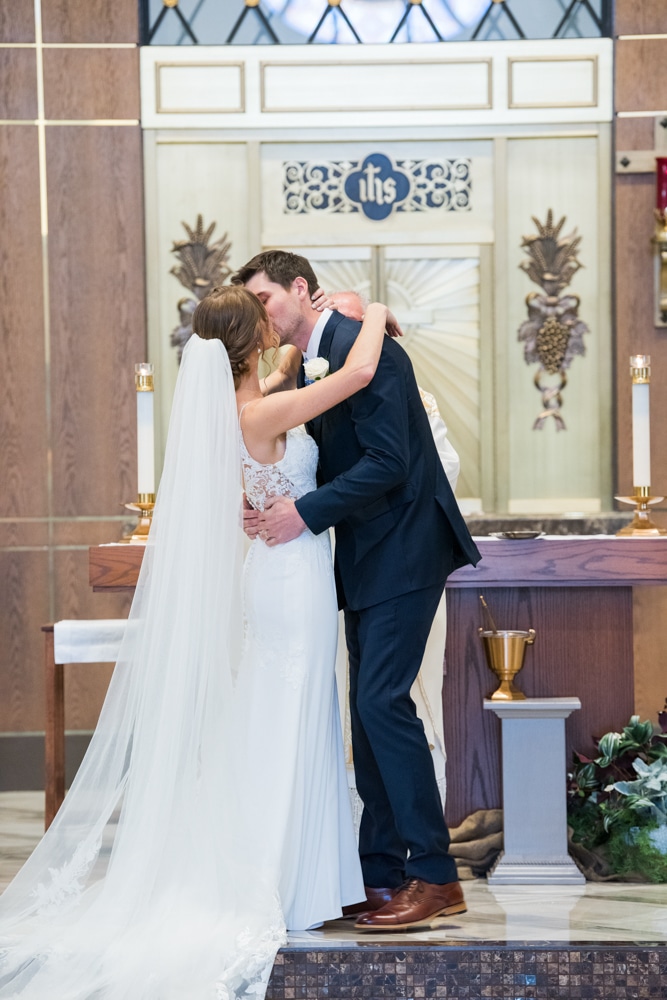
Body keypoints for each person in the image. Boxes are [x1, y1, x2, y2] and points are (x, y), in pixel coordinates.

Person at [0, 286, 390, 999]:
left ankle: (300, 878)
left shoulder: (243, 403)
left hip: (276, 572)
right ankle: (286, 885)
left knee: (282, 716)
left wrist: (303, 336)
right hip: (289, 579)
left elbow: (292, 366)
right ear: (247, 344)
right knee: (292, 716)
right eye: (265, 321)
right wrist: (377, 314)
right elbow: (358, 375)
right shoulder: (262, 411)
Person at [234, 251, 481, 931]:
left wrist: (302, 514)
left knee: (380, 703)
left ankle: (434, 876)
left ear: (300, 289)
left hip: (405, 545)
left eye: (266, 298)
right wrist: (266, 497)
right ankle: (377, 875)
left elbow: (387, 462)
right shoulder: (316, 354)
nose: (262, 313)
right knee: (366, 717)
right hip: (363, 557)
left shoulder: (359, 351)